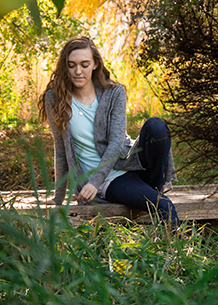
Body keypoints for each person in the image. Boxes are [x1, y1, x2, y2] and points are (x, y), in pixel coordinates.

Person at [38, 36, 180, 226]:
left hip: (128, 164)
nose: (78, 71)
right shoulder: (55, 98)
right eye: (71, 65)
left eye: (85, 64)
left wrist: (93, 182)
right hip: (110, 182)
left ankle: (154, 188)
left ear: (95, 64)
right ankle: (174, 246)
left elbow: (116, 144)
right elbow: (61, 148)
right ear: (65, 66)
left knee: (156, 126)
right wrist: (58, 197)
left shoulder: (114, 93)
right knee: (164, 206)